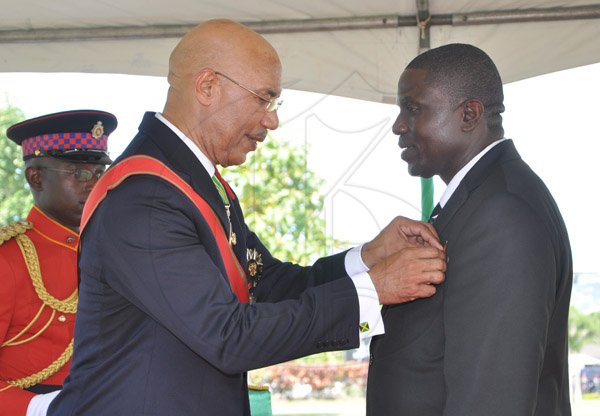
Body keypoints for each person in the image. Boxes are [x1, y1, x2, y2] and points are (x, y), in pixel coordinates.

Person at [48, 19, 447, 415]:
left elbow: (268, 283)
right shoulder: (145, 197)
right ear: (207, 86)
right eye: (263, 99)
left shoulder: (194, 183)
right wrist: (374, 290)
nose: (272, 120)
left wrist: (369, 258)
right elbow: (226, 336)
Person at [366, 43, 573, 416]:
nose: (398, 125)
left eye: (412, 108)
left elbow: (493, 399)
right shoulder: (479, 199)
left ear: (469, 114)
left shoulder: (503, 214)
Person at [0, 110, 117, 416]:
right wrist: (37, 407)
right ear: (35, 177)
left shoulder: (115, 249)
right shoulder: (8, 260)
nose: (93, 184)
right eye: (79, 173)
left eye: (99, 172)